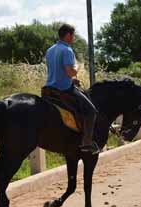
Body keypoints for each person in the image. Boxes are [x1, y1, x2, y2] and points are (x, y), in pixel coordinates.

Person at [43, 23, 100, 154]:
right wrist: (75, 71)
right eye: (73, 35)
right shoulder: (67, 50)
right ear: (68, 35)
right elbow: (69, 72)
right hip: (64, 89)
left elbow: (57, 71)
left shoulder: (50, 50)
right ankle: (87, 143)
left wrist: (71, 79)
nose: (73, 38)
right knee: (91, 111)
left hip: (49, 88)